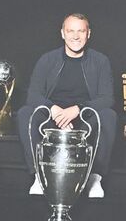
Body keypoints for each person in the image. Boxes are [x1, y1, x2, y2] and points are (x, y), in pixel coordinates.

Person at [16, 13, 117, 198]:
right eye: (71, 31)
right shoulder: (47, 59)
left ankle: (95, 179)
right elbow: (33, 95)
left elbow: (107, 98)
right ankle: (39, 177)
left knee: (109, 115)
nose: (76, 36)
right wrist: (54, 110)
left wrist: (77, 110)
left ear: (89, 34)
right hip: (52, 117)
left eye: (81, 31)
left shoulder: (100, 61)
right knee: (25, 113)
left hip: (84, 117)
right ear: (62, 33)